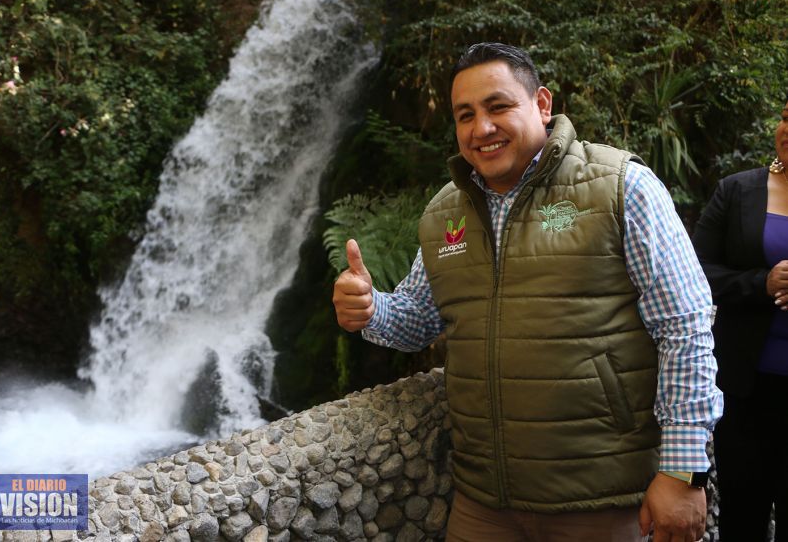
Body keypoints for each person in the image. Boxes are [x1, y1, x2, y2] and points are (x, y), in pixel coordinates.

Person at [332, 43, 723, 542]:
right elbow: (418, 319)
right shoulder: (445, 212)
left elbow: (685, 327)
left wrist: (684, 473)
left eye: (498, 107)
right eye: (465, 115)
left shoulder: (620, 185)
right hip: (483, 503)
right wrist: (370, 309)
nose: (482, 128)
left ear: (541, 104)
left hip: (603, 501)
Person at [691, 98, 788, 541]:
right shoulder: (737, 191)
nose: (787, 128)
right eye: (786, 117)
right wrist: (761, 283)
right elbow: (694, 271)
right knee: (743, 516)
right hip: (744, 392)